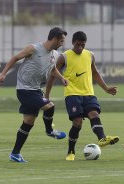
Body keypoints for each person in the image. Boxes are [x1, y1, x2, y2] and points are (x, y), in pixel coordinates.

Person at [46, 31, 119, 161]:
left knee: (94, 115)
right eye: (78, 45)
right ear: (73, 42)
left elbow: (95, 73)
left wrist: (106, 88)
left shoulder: (90, 55)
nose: (80, 48)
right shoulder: (64, 57)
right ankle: (71, 151)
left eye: (83, 45)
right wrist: (47, 94)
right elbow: (52, 74)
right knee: (77, 123)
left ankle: (102, 139)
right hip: (72, 94)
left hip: (89, 93)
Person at [0, 27, 68, 163]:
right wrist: (3, 73)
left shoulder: (55, 54)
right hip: (24, 89)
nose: (62, 43)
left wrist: (61, 78)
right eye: (61, 40)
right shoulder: (33, 49)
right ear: (54, 39)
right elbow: (15, 58)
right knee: (49, 106)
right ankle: (49, 131)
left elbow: (53, 68)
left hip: (36, 90)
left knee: (28, 122)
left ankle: (15, 154)